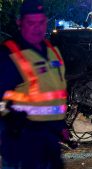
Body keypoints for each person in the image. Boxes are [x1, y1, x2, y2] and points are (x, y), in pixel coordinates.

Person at [0, 0, 68, 168]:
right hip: (21, 142)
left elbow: (56, 93)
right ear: (19, 23)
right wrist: (12, 122)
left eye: (41, 22)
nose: (37, 28)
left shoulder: (53, 51)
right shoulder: (8, 54)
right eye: (31, 23)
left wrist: (61, 125)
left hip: (50, 140)